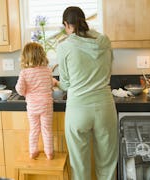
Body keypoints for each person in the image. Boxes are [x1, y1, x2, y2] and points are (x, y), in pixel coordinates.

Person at [53, 6, 118, 179]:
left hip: (78, 109)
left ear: (67, 25)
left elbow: (66, 84)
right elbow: (108, 71)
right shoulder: (105, 41)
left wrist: (56, 83)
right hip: (105, 107)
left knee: (79, 165)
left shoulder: (64, 46)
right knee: (108, 163)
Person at [15, 42, 54, 160]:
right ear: (42, 55)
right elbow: (49, 84)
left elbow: (20, 91)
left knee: (34, 129)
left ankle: (33, 151)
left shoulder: (24, 73)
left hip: (32, 107)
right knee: (47, 129)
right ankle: (49, 153)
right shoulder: (47, 70)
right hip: (46, 105)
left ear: (25, 57)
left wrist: (27, 89)